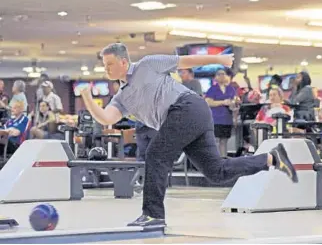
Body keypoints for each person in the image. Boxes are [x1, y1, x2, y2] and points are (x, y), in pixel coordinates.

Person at [80, 43, 298, 227]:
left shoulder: (147, 65)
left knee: (156, 154)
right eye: (104, 65)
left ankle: (153, 214)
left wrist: (219, 59)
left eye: (109, 64)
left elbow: (184, 61)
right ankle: (272, 158)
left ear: (123, 62)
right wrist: (88, 99)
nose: (106, 69)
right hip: (188, 117)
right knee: (216, 172)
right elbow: (107, 118)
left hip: (187, 107)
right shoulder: (122, 97)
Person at [205, 69, 237, 157]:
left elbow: (235, 102)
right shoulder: (212, 89)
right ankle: (215, 159)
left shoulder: (231, 89)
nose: (221, 76)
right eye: (219, 74)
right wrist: (223, 102)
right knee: (216, 140)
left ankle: (223, 159)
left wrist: (234, 115)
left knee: (224, 141)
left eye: (223, 74)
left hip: (227, 119)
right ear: (215, 77)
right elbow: (208, 102)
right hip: (216, 119)